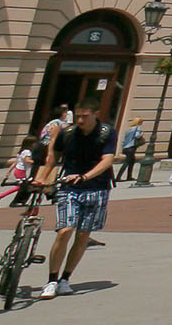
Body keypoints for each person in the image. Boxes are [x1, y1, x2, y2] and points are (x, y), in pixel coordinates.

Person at [38, 102, 117, 300]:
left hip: (97, 187)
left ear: (96, 114)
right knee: (65, 230)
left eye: (85, 116)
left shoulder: (106, 132)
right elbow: (52, 158)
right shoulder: (68, 133)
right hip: (69, 187)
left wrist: (85, 176)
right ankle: (52, 280)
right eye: (78, 116)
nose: (80, 120)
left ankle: (65, 279)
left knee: (82, 235)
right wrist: (41, 177)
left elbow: (107, 160)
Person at [118, 118, 143, 187]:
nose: (141, 123)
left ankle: (129, 176)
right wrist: (141, 134)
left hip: (126, 148)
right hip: (131, 148)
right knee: (127, 162)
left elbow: (125, 139)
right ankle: (118, 177)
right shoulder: (138, 128)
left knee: (131, 161)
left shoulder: (129, 129)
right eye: (141, 122)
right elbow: (137, 136)